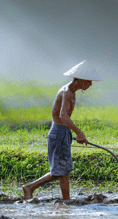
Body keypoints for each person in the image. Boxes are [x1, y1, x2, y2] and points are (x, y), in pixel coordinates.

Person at [22, 60, 103, 200]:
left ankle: (66, 201)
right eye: (89, 81)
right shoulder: (67, 92)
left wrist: (71, 133)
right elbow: (63, 116)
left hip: (62, 132)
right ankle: (31, 187)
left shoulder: (71, 91)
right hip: (59, 132)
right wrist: (79, 132)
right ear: (81, 80)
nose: (90, 84)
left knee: (64, 171)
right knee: (60, 171)